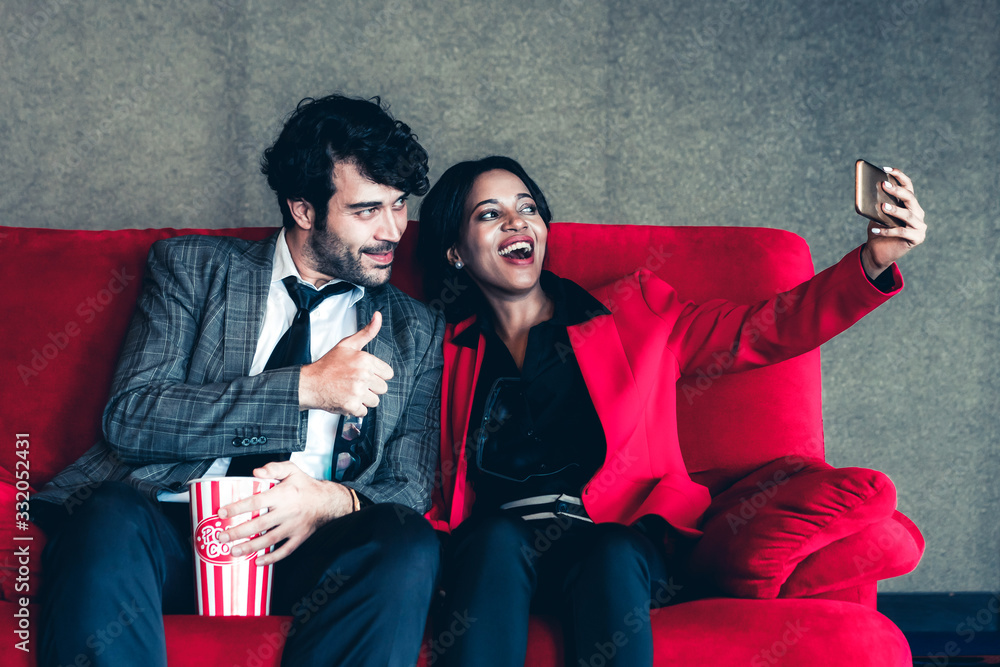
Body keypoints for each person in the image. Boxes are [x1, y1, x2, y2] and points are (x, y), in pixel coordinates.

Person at [416, 155, 926, 666]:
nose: (516, 221)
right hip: (496, 554)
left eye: (527, 207)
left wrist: (871, 263)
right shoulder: (438, 351)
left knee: (607, 550)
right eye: (489, 214)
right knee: (494, 540)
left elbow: (768, 328)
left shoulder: (637, 313)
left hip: (613, 544)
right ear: (456, 251)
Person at [31, 94, 445, 667]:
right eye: (366, 210)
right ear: (303, 209)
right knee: (104, 515)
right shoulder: (194, 270)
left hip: (309, 548)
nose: (394, 230)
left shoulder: (416, 329)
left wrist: (329, 500)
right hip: (173, 530)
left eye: (400, 205)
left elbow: (410, 482)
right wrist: (303, 387)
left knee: (405, 538)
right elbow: (132, 417)